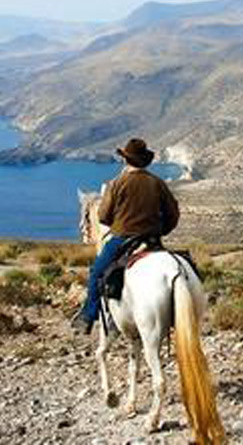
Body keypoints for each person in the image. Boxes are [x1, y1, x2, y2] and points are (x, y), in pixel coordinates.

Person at [71, 137, 180, 334]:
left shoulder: (117, 183)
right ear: (144, 161)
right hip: (153, 241)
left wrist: (118, 221)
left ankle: (88, 316)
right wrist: (161, 230)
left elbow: (103, 217)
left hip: (123, 238)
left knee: (97, 272)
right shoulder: (158, 183)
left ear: (125, 160)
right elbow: (173, 214)